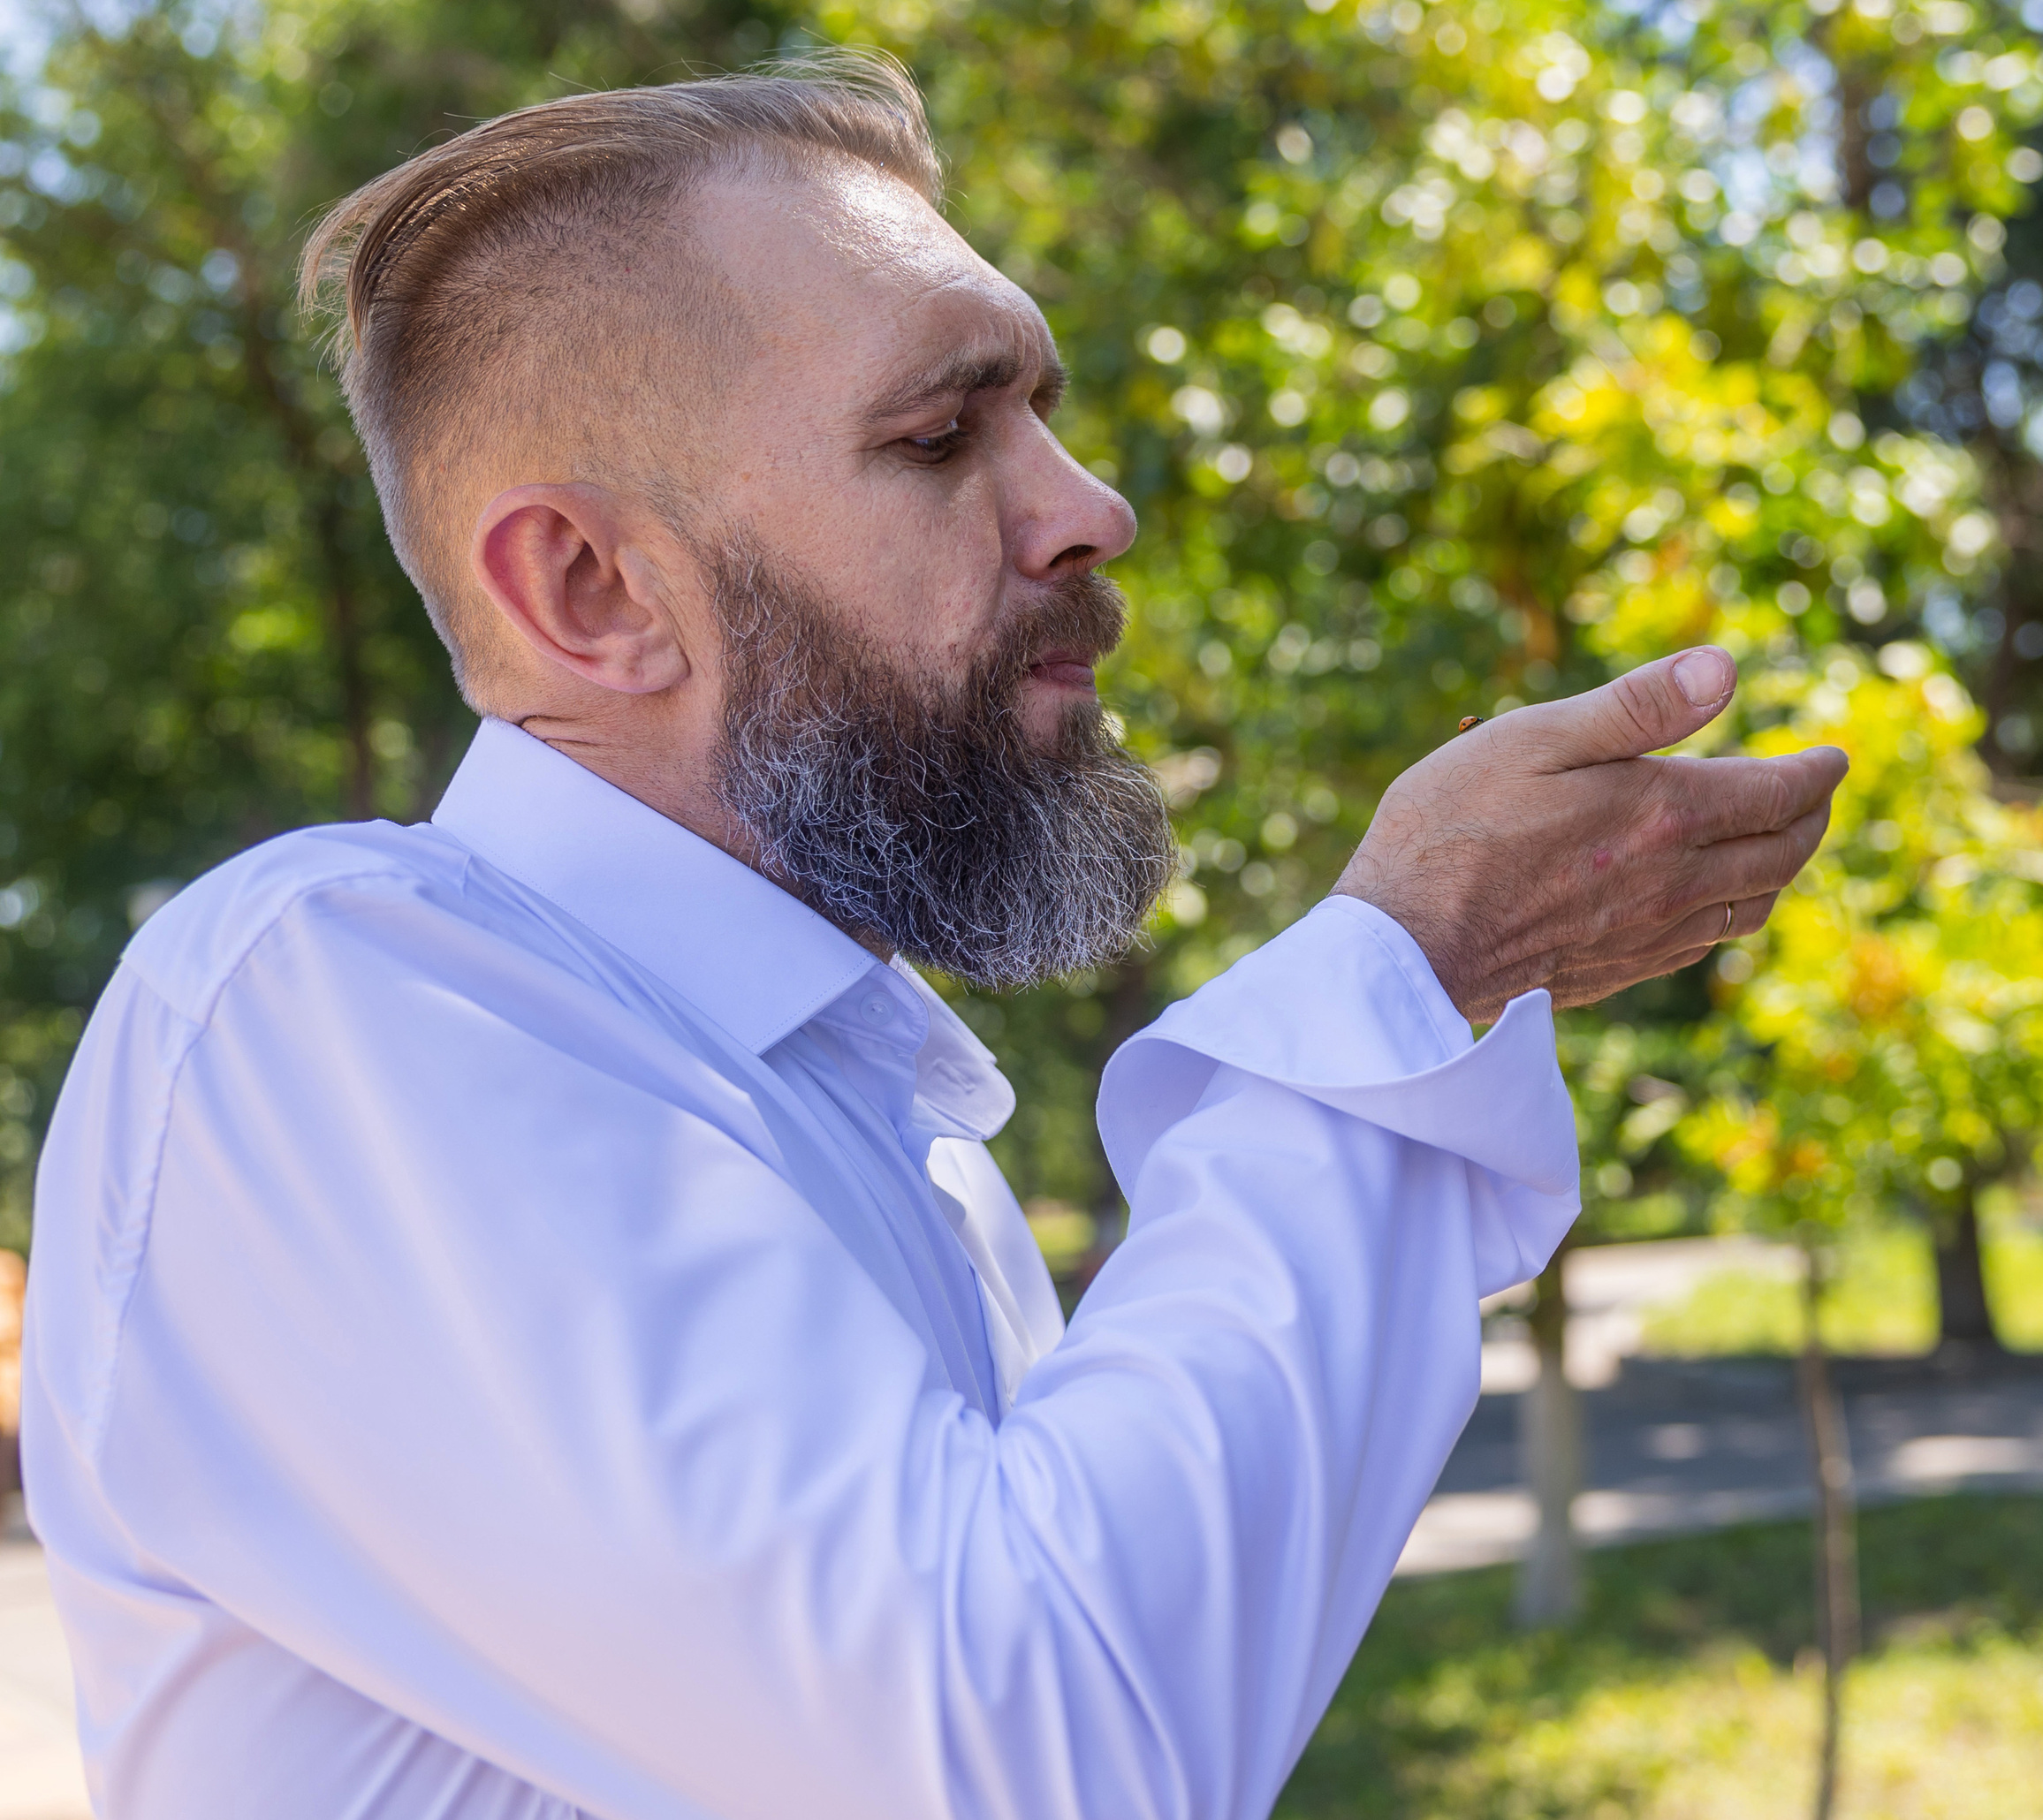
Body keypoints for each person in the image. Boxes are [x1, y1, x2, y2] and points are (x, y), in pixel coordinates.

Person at [21, 54, 1844, 1820]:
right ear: (592, 589)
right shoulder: (324, 1000)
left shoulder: (898, 1131)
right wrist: (1400, 968)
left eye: (1040, 409)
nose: (1086, 508)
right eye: (936, 434)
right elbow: (1023, 1754)